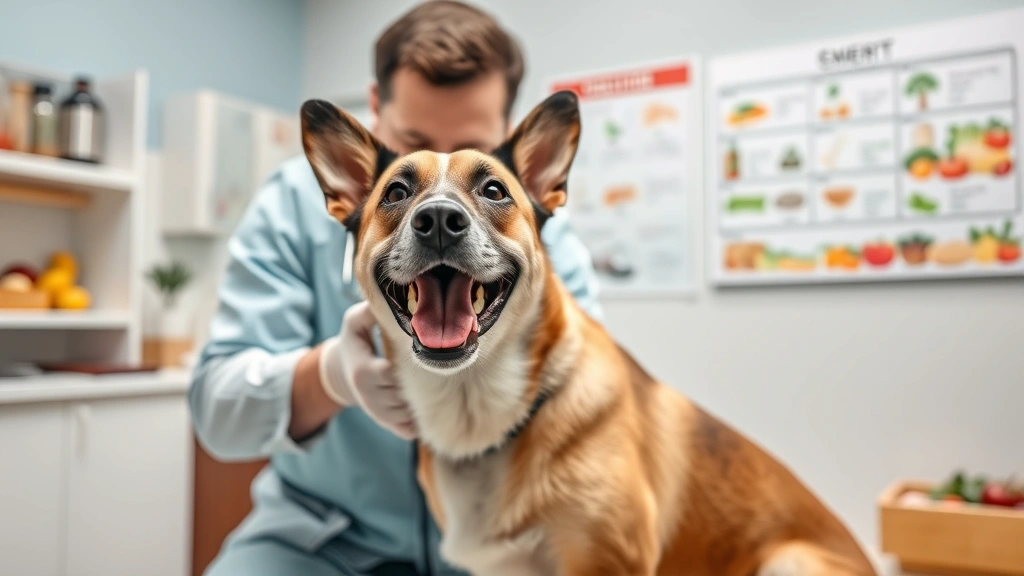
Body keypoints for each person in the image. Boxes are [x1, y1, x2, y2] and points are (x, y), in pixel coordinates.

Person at [189, 2, 603, 575]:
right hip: (318, 541)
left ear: (507, 135)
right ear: (376, 108)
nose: (440, 207)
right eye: (414, 148)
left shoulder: (535, 239)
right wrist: (330, 375)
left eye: (472, 159)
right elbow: (217, 412)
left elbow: (596, 402)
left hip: (503, 548)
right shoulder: (290, 204)